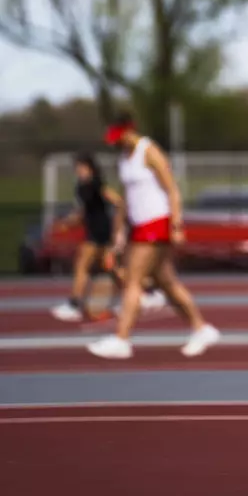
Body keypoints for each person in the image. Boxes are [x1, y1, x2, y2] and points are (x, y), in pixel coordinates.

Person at [87, 115, 220, 360]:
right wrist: (119, 231)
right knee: (167, 283)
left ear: (129, 131)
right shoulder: (123, 160)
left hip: (157, 223)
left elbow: (172, 189)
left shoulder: (149, 152)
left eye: (118, 137)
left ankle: (122, 339)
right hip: (138, 226)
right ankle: (201, 329)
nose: (115, 143)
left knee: (133, 280)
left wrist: (177, 224)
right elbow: (125, 199)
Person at [51, 153, 125, 322]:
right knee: (112, 268)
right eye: (77, 167)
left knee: (82, 265)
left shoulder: (97, 184)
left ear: (90, 168)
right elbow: (82, 212)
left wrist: (119, 226)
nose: (79, 170)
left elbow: (118, 201)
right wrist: (66, 223)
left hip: (101, 230)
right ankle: (135, 297)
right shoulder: (80, 187)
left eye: (82, 167)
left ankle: (74, 305)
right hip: (94, 229)